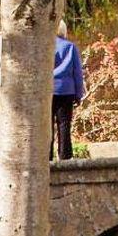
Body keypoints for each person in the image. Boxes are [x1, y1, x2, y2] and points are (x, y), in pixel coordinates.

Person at [51, 32, 84, 161]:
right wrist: (79, 94)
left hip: (48, 89)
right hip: (66, 90)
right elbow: (77, 72)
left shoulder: (46, 45)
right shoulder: (70, 46)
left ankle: (47, 156)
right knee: (64, 124)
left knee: (47, 125)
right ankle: (65, 156)